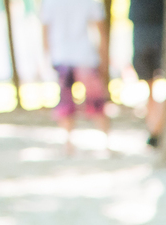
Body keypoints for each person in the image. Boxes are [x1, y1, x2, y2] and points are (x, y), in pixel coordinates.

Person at [39, 0, 110, 156]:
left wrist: (46, 58)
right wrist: (104, 58)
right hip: (85, 57)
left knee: (65, 102)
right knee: (96, 100)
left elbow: (45, 31)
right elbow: (101, 30)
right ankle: (104, 142)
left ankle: (68, 143)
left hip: (61, 57)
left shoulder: (49, 3)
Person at [128, 0, 166, 148]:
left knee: (156, 88)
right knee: (152, 89)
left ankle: (155, 128)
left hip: (149, 36)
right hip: (150, 36)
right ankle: (155, 128)